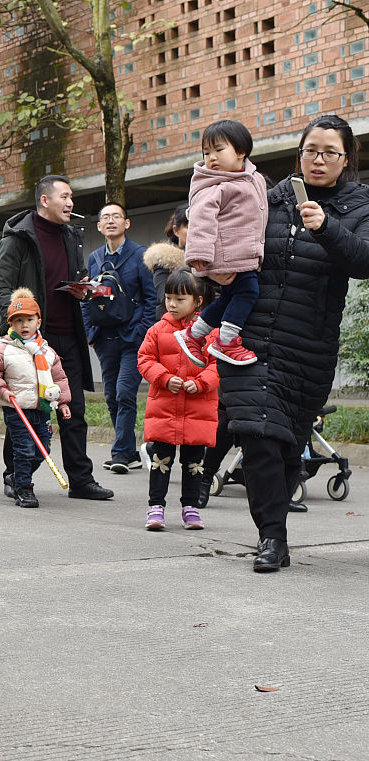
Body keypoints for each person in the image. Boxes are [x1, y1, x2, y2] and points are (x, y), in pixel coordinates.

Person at [221, 114, 369, 572]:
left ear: (347, 159)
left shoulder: (358, 204)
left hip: (309, 343)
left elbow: (363, 261)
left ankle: (275, 529)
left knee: (287, 443)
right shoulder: (270, 197)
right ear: (298, 153)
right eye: (311, 151)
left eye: (330, 153)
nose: (318, 160)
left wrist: (326, 227)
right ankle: (271, 538)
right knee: (258, 433)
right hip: (251, 337)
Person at [0, 175, 113, 501]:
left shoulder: (72, 236)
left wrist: (83, 288)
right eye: (65, 196)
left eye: (71, 197)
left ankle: (81, 480)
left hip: (68, 335)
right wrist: (21, 320)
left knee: (73, 408)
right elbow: (0, 288)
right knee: (27, 410)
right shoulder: (18, 238)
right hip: (29, 341)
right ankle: (15, 474)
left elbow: (73, 279)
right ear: (45, 200)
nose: (71, 202)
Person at [176, 119, 269, 367]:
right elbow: (201, 220)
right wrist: (199, 256)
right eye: (206, 152)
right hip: (224, 256)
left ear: (241, 152)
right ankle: (227, 341)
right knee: (248, 291)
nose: (211, 158)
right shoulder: (213, 184)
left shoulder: (252, 178)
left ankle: (194, 334)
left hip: (241, 253)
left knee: (229, 297)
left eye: (219, 150)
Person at [136, 269, 219, 531]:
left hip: (198, 409)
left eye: (180, 299)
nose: (172, 304)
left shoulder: (211, 333)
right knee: (161, 460)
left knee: (195, 462)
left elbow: (218, 364)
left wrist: (201, 382)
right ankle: (156, 507)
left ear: (198, 301)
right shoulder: (157, 330)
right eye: (169, 298)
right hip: (165, 408)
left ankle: (191, 508)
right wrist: (162, 377)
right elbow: (145, 360)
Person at [0, 288, 72, 509]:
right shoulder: (3, 349)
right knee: (23, 448)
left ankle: (16, 476)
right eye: (18, 321)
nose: (24, 325)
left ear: (38, 321)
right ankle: (23, 487)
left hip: (42, 408)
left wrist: (64, 402)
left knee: (42, 450)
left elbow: (59, 378)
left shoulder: (47, 351)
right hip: (17, 408)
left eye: (29, 319)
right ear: (11, 324)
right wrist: (2, 390)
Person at [83, 202, 155, 474]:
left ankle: (121, 453)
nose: (111, 221)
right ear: (100, 226)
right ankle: (129, 452)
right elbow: (87, 296)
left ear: (127, 223)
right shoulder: (94, 257)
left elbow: (151, 299)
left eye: (116, 216)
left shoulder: (141, 255)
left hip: (132, 337)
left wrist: (142, 332)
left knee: (125, 392)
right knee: (111, 395)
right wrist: (90, 330)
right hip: (104, 337)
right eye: (105, 218)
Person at [144, 205, 189, 319]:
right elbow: (164, 300)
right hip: (173, 326)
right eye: (189, 226)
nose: (195, 231)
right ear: (176, 230)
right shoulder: (165, 260)